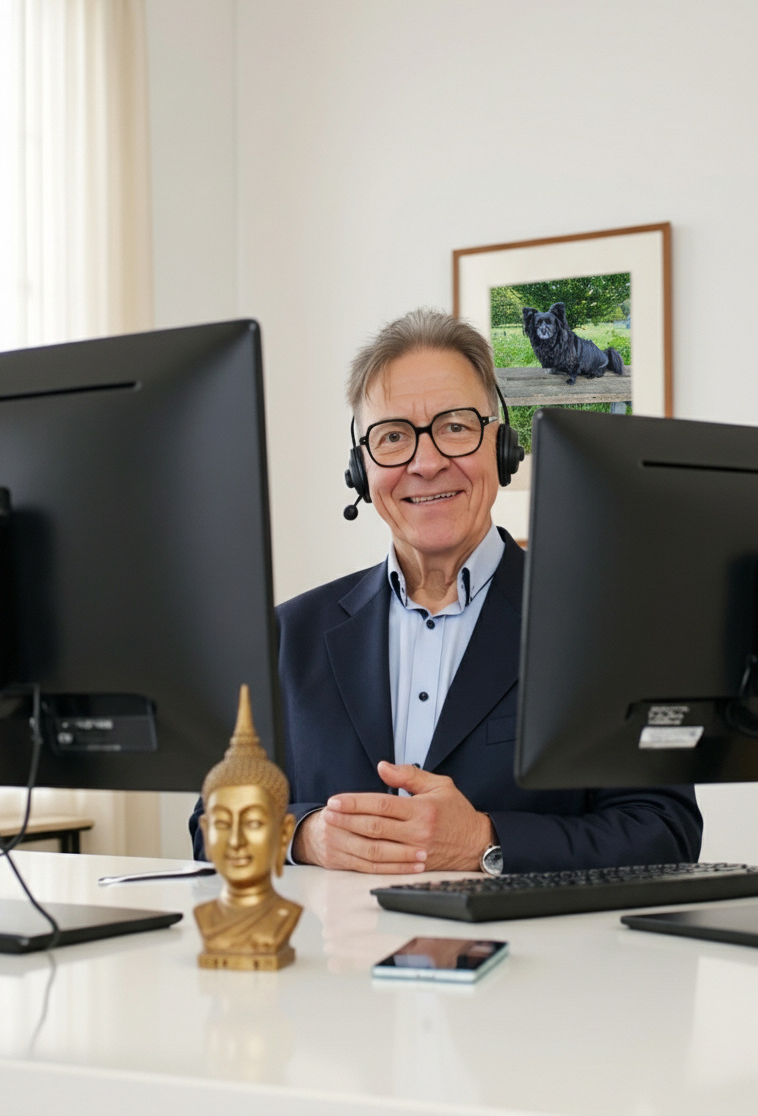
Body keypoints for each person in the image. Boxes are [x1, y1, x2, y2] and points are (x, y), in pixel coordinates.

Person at [191, 308, 702, 874]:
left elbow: (665, 831)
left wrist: (485, 841)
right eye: (393, 437)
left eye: (455, 427)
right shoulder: (286, 635)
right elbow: (210, 822)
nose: (427, 463)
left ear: (501, 445)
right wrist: (304, 835)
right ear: (361, 470)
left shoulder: (609, 626)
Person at [194, 685, 302, 969]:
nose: (236, 840)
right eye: (222, 823)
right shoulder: (205, 917)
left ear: (284, 833)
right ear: (206, 828)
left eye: (253, 823)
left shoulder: (284, 915)